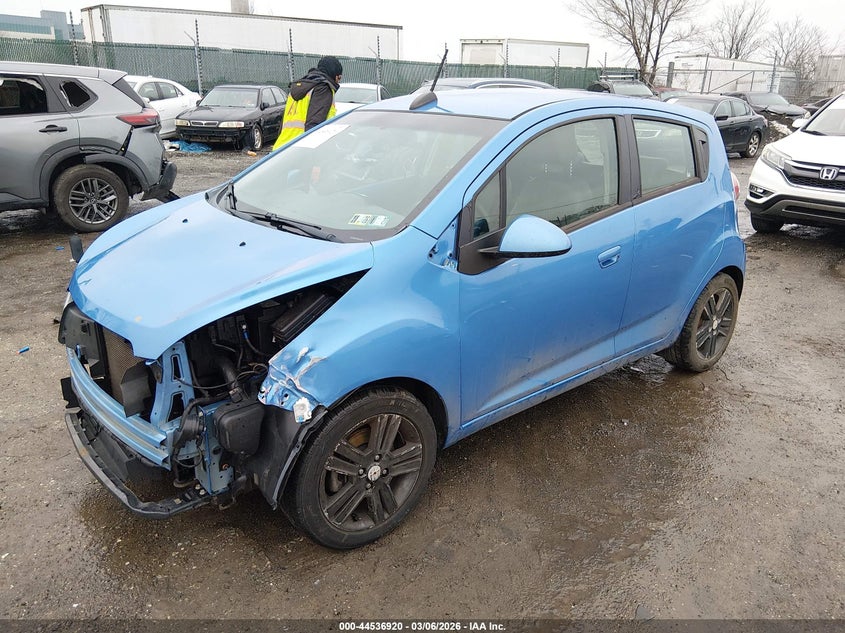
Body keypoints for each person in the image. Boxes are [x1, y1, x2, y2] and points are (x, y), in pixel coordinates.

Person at [272, 55, 343, 150]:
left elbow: (282, 126)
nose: (338, 82)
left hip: (281, 149)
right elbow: (314, 126)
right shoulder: (323, 88)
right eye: (339, 78)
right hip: (300, 150)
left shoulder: (297, 89)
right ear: (334, 74)